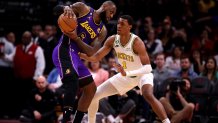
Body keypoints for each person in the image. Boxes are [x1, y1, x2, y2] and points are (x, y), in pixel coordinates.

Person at [79, 15, 170, 123]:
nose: (119, 25)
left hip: (142, 74)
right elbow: (97, 57)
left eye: (122, 24)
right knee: (94, 96)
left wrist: (127, 72)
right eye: (118, 23)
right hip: (125, 76)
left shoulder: (136, 42)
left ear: (130, 27)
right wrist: (85, 56)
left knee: (148, 94)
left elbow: (148, 68)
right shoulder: (112, 39)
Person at [52, 1, 116, 123]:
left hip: (77, 56)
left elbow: (91, 51)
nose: (111, 16)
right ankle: (65, 120)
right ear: (105, 6)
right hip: (65, 49)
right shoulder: (83, 9)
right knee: (72, 81)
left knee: (91, 89)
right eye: (111, 12)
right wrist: (65, 8)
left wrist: (76, 38)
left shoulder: (102, 31)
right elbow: (56, 10)